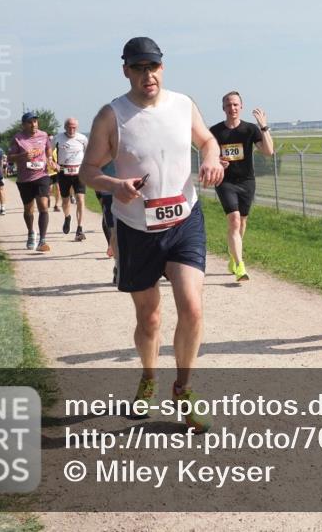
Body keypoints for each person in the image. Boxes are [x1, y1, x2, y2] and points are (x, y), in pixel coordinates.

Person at [80, 37, 224, 432]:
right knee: (150, 319)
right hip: (135, 228)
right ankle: (148, 377)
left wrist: (211, 156)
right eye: (140, 68)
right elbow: (87, 171)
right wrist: (114, 184)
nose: (149, 75)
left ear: (163, 68)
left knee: (192, 307)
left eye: (154, 67)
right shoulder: (112, 116)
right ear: (126, 70)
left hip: (184, 220)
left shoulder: (183, 105)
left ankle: (184, 387)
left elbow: (207, 139)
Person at [209, 92, 274, 282]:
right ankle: (240, 266)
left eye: (236, 105)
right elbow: (208, 155)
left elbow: (269, 151)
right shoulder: (215, 131)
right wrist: (218, 161)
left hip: (246, 181)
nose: (232, 108)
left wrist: (263, 126)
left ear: (241, 107)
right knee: (234, 220)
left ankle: (233, 256)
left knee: (242, 222)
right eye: (228, 105)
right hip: (224, 181)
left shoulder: (250, 129)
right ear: (223, 108)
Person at [8, 112, 57, 252]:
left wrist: (50, 159)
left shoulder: (44, 135)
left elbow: (48, 148)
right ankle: (30, 232)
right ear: (24, 125)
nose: (34, 124)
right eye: (30, 122)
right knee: (28, 209)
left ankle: (42, 241)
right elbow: (10, 157)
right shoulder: (17, 138)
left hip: (42, 175)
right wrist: (23, 156)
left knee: (43, 205)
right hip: (25, 179)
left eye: (35, 121)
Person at [54, 117, 89, 241]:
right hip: (63, 172)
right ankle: (67, 217)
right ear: (65, 127)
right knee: (65, 201)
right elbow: (48, 153)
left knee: (80, 198)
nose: (71, 129)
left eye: (74, 127)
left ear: (77, 127)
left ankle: (80, 228)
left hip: (79, 172)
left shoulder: (83, 139)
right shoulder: (57, 138)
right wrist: (53, 163)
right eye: (69, 126)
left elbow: (89, 153)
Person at [48, 145, 62, 212]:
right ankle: (48, 198)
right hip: (48, 173)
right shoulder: (45, 149)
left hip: (56, 172)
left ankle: (56, 206)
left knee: (58, 189)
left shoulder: (57, 150)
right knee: (49, 189)